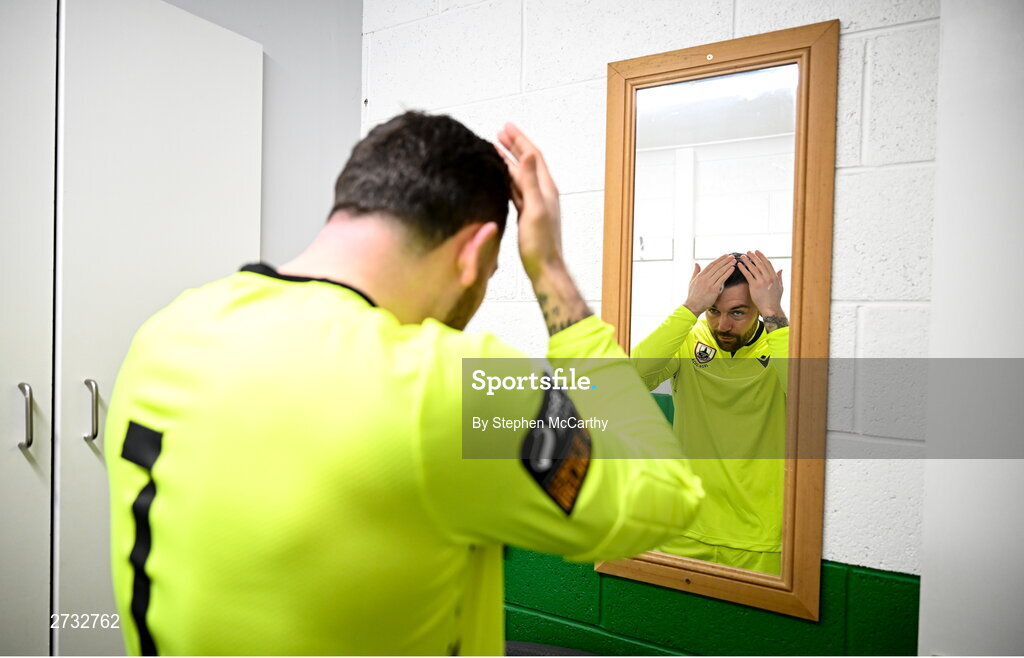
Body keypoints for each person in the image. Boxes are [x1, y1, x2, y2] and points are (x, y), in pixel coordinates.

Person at [103, 112, 704, 655]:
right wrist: (548, 267)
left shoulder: (166, 332)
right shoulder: (446, 387)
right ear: (476, 252)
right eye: (490, 275)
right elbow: (667, 492)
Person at [630, 251, 789, 574]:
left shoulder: (781, 344)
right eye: (714, 311)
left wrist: (775, 311)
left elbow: (810, 399)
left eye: (738, 312)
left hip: (760, 536)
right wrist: (690, 309)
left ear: (759, 306)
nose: (723, 325)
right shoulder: (689, 342)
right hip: (685, 528)